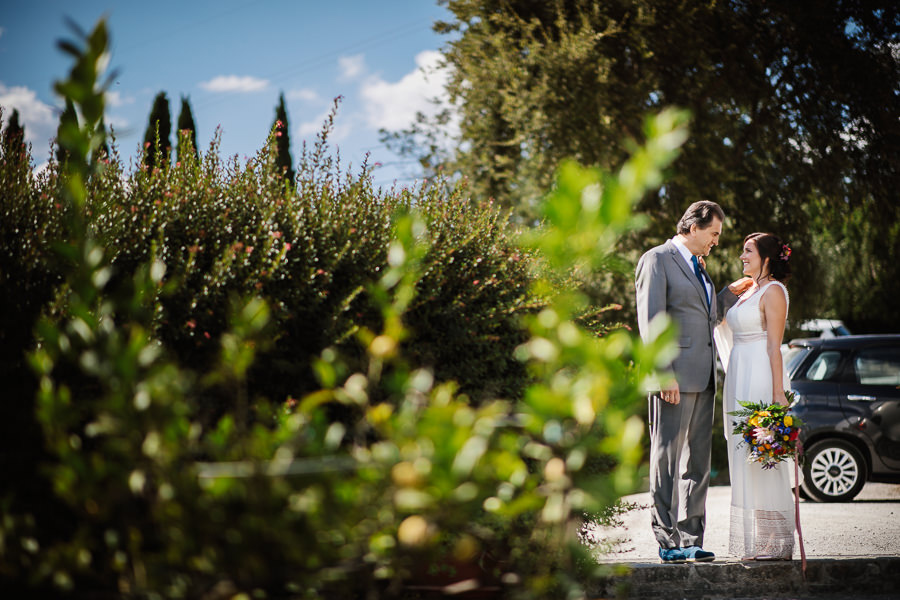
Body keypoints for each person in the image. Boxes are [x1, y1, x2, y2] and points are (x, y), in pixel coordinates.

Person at [635, 201, 750, 564]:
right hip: (672, 376)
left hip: (704, 378)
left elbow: (709, 315)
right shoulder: (656, 259)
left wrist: (731, 291)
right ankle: (667, 541)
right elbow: (651, 320)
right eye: (714, 233)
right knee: (666, 459)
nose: (716, 241)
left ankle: (691, 538)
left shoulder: (701, 268)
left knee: (698, 462)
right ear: (693, 227)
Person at [717, 232, 795, 561]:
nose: (741, 256)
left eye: (747, 251)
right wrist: (731, 290)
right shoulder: (750, 290)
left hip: (761, 378)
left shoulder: (774, 291)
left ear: (766, 258)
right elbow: (719, 318)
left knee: (764, 458)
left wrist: (778, 395)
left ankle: (776, 542)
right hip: (738, 376)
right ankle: (760, 541)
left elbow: (774, 347)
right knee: (745, 457)